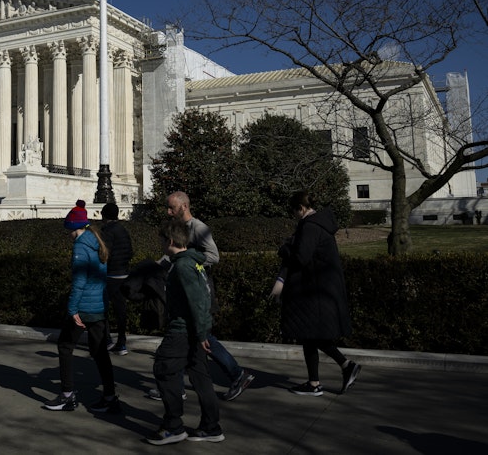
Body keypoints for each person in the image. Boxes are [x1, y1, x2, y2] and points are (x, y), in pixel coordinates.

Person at [162, 191, 254, 401]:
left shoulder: (199, 228)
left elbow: (213, 256)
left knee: (201, 337)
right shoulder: (179, 229)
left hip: (199, 291)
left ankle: (237, 374)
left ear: (184, 207)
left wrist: (189, 264)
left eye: (172, 208)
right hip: (186, 291)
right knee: (193, 341)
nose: (168, 212)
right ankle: (179, 386)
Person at [269, 191, 361, 396]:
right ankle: (316, 382)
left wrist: (284, 249)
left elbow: (301, 257)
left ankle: (343, 366)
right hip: (320, 288)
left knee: (311, 334)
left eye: (294, 211)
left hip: (314, 290)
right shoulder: (319, 224)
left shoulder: (310, 226)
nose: (293, 215)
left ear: (300, 209)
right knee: (309, 335)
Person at [147, 218, 224, 445]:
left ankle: (173, 426)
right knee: (200, 376)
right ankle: (211, 427)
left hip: (182, 331)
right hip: (194, 330)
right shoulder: (194, 262)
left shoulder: (182, 266)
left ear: (170, 240)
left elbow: (199, 301)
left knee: (164, 368)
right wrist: (202, 332)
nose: (161, 245)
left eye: (162, 241)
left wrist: (201, 335)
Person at [43, 200, 120, 414]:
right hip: (98, 307)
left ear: (72, 228)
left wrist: (72, 309)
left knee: (65, 346)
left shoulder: (80, 247)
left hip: (84, 307)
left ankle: (67, 395)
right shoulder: (97, 242)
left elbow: (79, 281)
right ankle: (110, 395)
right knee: (99, 352)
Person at [100, 202, 133, 356]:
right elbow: (130, 251)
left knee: (103, 309)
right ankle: (122, 342)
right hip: (124, 274)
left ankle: (107, 340)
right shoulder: (123, 230)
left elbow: (106, 253)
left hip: (111, 275)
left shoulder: (107, 231)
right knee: (121, 311)